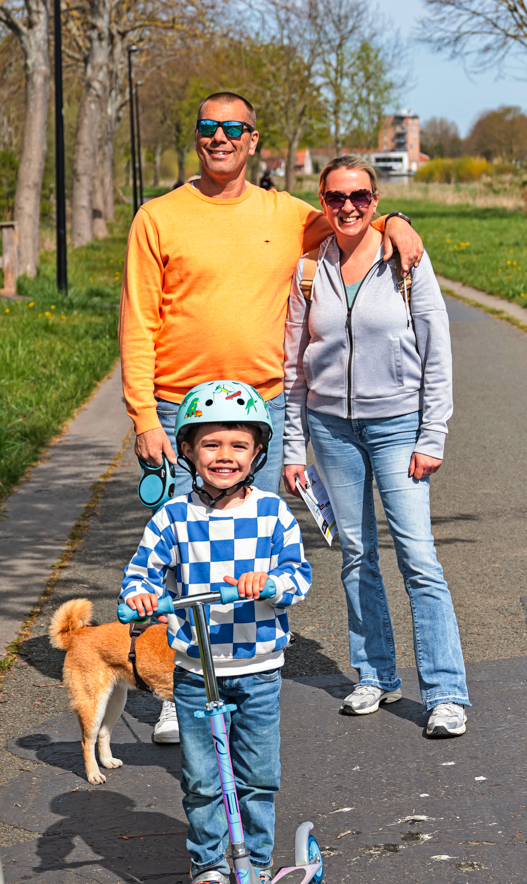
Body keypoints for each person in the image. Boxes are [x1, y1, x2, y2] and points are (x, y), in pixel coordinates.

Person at [119, 90, 423, 744]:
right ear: (197, 136)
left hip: (259, 409)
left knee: (249, 556)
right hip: (178, 409)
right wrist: (143, 415)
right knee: (178, 556)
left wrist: (398, 219)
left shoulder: (285, 214)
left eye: (234, 128)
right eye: (208, 126)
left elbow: (351, 220)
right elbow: (137, 321)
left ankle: (243, 681)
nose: (220, 137)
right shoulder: (157, 217)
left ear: (253, 139)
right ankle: (176, 689)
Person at [282, 155, 470, 737]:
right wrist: (294, 447)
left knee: (418, 557)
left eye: (359, 196)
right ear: (322, 200)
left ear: (375, 200)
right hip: (331, 429)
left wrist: (432, 434)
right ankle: (376, 674)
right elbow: (293, 366)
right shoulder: (308, 270)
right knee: (357, 554)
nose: (348, 207)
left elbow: (437, 351)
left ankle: (445, 693)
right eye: (336, 197)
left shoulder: (405, 260)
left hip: (398, 426)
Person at [120, 381, 311, 884]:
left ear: (257, 453)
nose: (224, 456)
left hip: (258, 670)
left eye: (237, 445)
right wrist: (140, 597)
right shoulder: (172, 518)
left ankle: (256, 863)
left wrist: (268, 583)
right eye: (210, 445)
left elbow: (298, 577)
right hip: (195, 672)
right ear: (187, 450)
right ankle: (208, 869)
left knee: (257, 774)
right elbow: (140, 575)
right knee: (203, 780)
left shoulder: (272, 513)